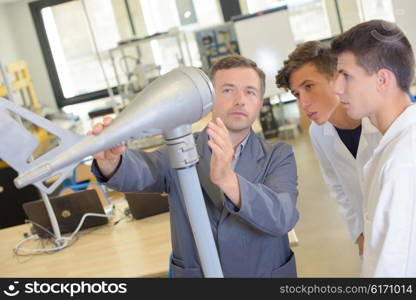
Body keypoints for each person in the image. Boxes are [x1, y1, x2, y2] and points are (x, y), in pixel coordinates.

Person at [89, 55, 299, 278]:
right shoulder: (183, 147)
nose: (240, 100)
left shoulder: (278, 155)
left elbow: (281, 216)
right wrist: (112, 161)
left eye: (250, 92)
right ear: (209, 98)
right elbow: (143, 170)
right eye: (228, 90)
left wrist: (228, 179)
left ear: (259, 102)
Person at [275, 41, 382, 257]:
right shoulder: (318, 132)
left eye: (309, 86)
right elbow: (338, 186)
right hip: (370, 239)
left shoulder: (382, 121)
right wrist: (358, 233)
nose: (303, 102)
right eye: (296, 94)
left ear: (336, 79)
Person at [331, 20, 416, 277]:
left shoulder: (402, 161)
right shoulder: (392, 145)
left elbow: (394, 269)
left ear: (382, 79)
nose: (336, 87)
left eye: (346, 76)